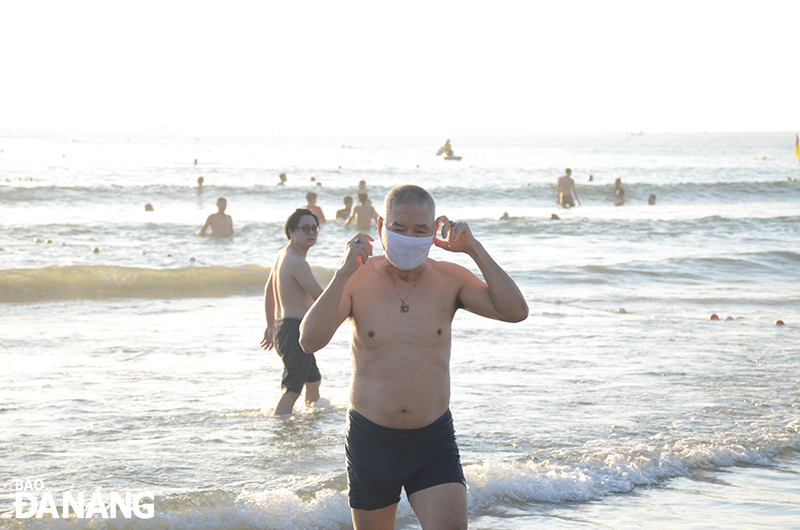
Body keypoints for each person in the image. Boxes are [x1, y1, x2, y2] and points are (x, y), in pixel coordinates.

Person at [299, 184, 528, 529]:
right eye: (398, 229)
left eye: (420, 230)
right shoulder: (357, 280)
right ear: (380, 228)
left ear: (434, 230)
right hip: (371, 440)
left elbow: (516, 311)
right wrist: (342, 272)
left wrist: (474, 250)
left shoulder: (450, 280)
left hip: (432, 440)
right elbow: (309, 341)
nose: (409, 237)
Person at [260, 209, 324, 415]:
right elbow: (322, 298)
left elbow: (268, 291)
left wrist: (271, 325)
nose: (311, 233)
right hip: (294, 329)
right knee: (292, 388)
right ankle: (281, 429)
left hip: (285, 328)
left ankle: (311, 420)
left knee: (313, 380)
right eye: (305, 229)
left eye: (315, 228)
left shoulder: (282, 254)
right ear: (291, 231)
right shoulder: (298, 262)